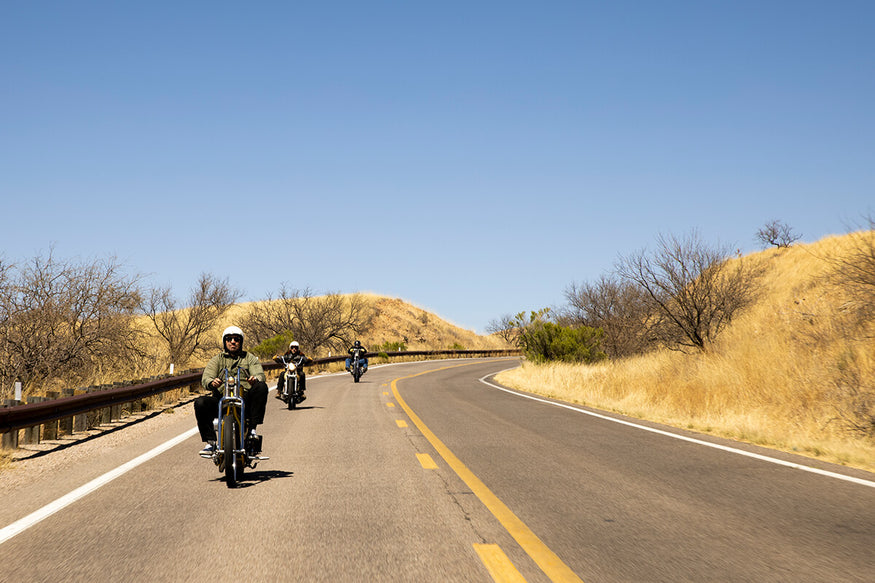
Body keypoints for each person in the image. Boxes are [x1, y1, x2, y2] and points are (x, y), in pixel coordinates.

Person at [195, 325, 269, 456]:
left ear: (241, 341)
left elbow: (260, 374)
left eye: (236, 339)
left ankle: (252, 430)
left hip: (244, 399)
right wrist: (212, 382)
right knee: (200, 402)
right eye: (229, 339)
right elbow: (206, 377)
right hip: (221, 400)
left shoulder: (249, 358)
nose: (233, 342)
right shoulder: (217, 359)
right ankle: (211, 442)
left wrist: (255, 379)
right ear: (225, 342)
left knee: (262, 387)